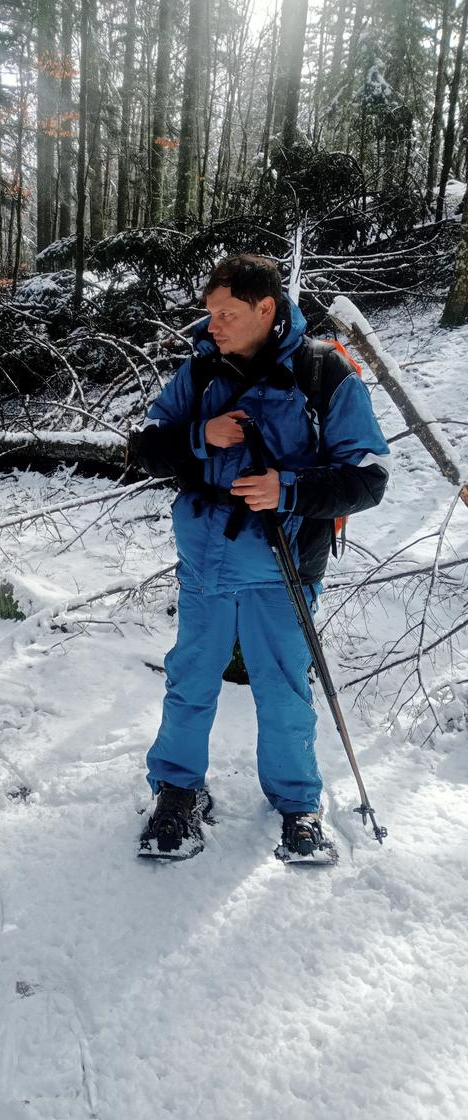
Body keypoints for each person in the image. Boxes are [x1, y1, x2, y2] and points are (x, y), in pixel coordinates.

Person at [133, 254, 390, 856]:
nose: (213, 324)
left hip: (285, 564)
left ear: (266, 308)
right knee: (190, 679)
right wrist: (201, 437)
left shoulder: (324, 373)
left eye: (227, 313)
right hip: (204, 564)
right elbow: (144, 447)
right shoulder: (197, 374)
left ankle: (298, 804)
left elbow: (370, 476)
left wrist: (290, 489)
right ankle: (177, 792)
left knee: (282, 689)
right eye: (210, 312)